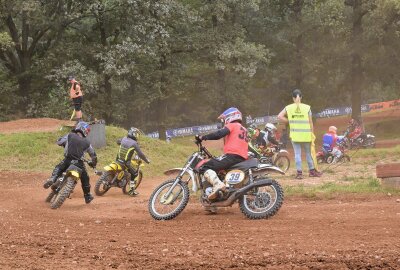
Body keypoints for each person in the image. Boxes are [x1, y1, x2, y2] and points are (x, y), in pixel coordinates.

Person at [196, 107, 248, 200]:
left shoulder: (232, 125)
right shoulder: (243, 128)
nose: (224, 122)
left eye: (224, 119)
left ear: (230, 117)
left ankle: (217, 185)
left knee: (204, 167)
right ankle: (215, 199)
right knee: (219, 170)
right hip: (242, 157)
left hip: (232, 156)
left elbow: (219, 134)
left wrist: (203, 137)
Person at [43, 121, 97, 204]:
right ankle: (87, 196)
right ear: (85, 131)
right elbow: (93, 155)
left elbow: (60, 142)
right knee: (85, 178)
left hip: (67, 160)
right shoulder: (87, 143)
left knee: (59, 167)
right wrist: (93, 163)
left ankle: (52, 178)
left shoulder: (70, 135)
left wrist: (63, 144)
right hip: (79, 163)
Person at [278, 89, 322, 179]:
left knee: (297, 154)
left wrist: (289, 121)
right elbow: (311, 123)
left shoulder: (288, 107)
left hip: (295, 135)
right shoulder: (307, 108)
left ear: (293, 98)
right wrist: (312, 134)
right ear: (301, 97)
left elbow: (279, 116)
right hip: (306, 135)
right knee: (308, 153)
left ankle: (299, 173)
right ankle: (312, 171)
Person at [116, 127, 150, 196]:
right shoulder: (134, 143)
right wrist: (146, 160)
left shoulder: (124, 138)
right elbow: (140, 154)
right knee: (134, 173)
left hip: (117, 160)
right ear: (134, 134)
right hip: (125, 163)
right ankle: (132, 191)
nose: (137, 136)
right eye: (136, 134)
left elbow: (118, 141)